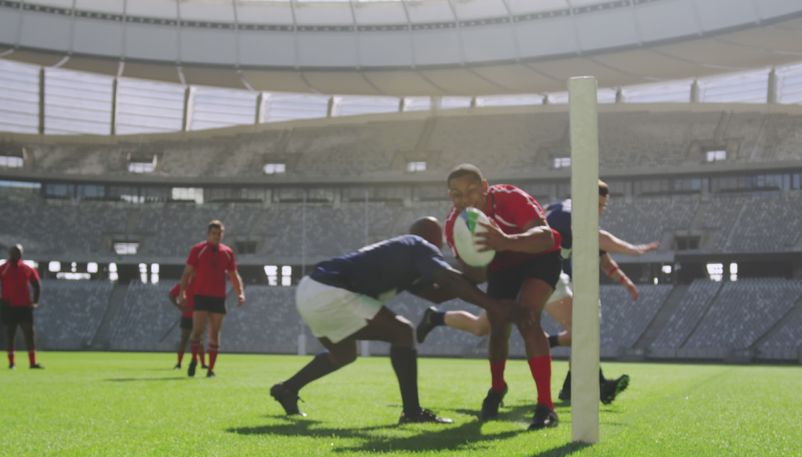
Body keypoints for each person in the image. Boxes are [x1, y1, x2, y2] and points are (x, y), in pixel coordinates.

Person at [417, 180, 659, 404]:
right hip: (535, 272)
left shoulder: (568, 213)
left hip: (529, 272)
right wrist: (634, 250)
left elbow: (601, 256)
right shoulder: (569, 212)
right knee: (584, 327)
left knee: (483, 327)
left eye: (603, 206)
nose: (600, 210)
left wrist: (625, 282)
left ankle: (436, 317)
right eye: (597, 204)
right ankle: (580, 383)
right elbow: (599, 238)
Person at [269, 217, 522, 424]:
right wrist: (493, 306)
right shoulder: (418, 245)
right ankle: (412, 412)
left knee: (344, 354)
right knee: (403, 332)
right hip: (331, 290)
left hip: (309, 291)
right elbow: (448, 280)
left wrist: (477, 277)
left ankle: (287, 388)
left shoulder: (405, 257)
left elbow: (438, 294)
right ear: (435, 241)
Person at [443, 164, 564, 430]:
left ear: (485, 187)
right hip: (501, 266)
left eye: (472, 191)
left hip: (538, 257)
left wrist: (505, 241)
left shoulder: (510, 197)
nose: (465, 200)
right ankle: (497, 388)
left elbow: (545, 238)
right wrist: (469, 262)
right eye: (456, 195)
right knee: (497, 329)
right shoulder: (454, 224)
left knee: (528, 317)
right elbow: (477, 275)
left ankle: (546, 406)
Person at [178, 220, 245, 378]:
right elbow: (187, 273)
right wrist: (182, 292)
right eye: (213, 234)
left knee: (215, 333)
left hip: (218, 298)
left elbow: (234, 274)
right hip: (201, 296)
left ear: (222, 234)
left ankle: (210, 369)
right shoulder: (198, 250)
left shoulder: (227, 252)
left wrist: (240, 292)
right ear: (208, 234)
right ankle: (194, 360)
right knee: (198, 332)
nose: (216, 236)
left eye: (219, 234)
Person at [0, 244, 43, 370]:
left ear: (22, 253)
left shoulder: (27, 268)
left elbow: (37, 285)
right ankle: (12, 363)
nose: (16, 254)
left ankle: (32, 362)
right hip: (9, 306)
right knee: (10, 334)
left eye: (19, 252)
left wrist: (35, 302)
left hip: (24, 306)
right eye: (14, 252)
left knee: (29, 333)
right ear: (9, 254)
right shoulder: (2, 268)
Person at [168, 283, 205, 370]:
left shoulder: (201, 283)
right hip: (187, 316)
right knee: (184, 339)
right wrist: (179, 306)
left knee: (199, 340)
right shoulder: (184, 283)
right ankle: (179, 363)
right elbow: (171, 295)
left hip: (199, 316)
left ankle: (203, 363)